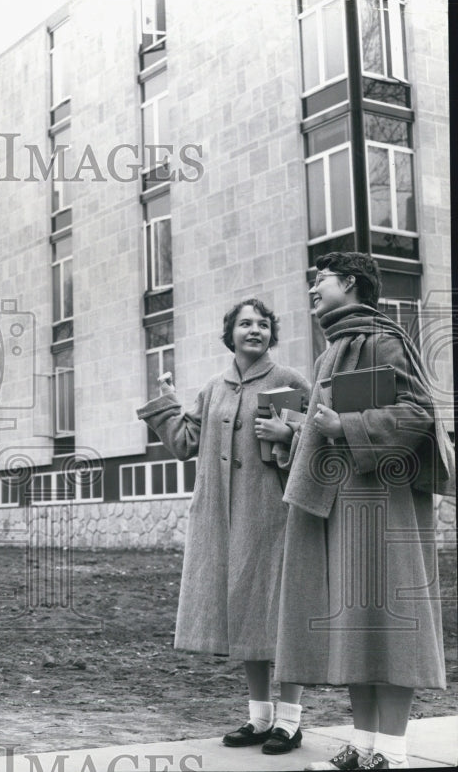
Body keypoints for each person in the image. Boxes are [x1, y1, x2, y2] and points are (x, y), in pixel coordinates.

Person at [273, 252, 454, 771]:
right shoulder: (332, 350)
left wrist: (343, 429)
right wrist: (300, 433)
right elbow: (329, 425)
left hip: (386, 506)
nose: (313, 289)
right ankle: (363, 746)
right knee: (357, 627)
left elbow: (419, 412)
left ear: (349, 283)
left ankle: (391, 754)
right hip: (342, 504)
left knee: (391, 627)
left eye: (321, 280)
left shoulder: (383, 339)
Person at [137, 298, 311, 755]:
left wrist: (290, 435)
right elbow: (184, 443)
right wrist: (167, 402)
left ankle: (290, 723)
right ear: (230, 333)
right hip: (222, 517)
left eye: (262, 324)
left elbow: (319, 443)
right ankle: (259, 718)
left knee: (278, 615)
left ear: (272, 334)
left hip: (274, 516)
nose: (254, 330)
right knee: (244, 614)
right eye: (244, 324)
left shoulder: (290, 381)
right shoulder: (215, 387)